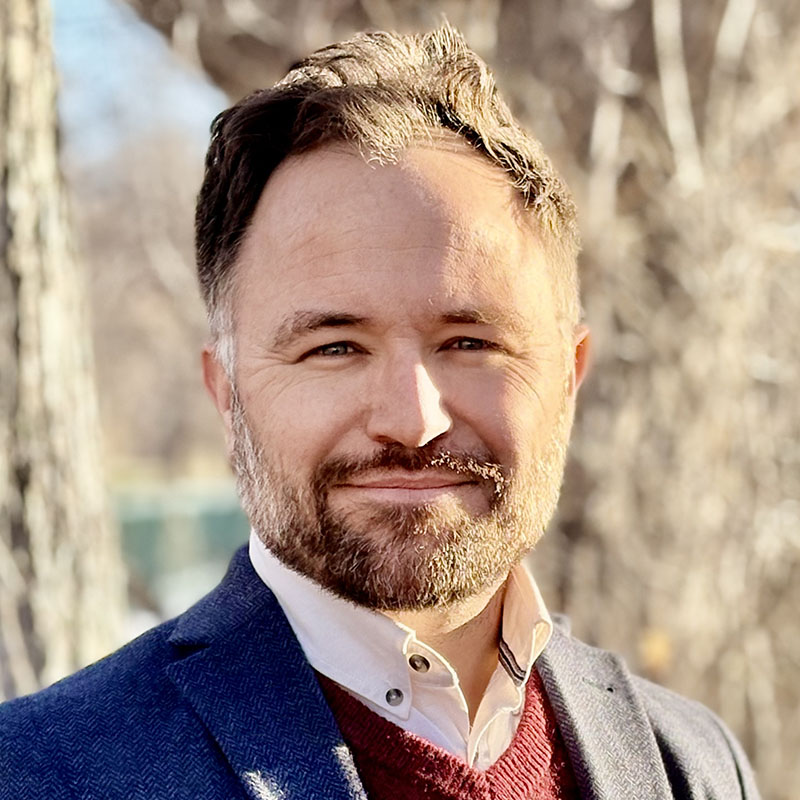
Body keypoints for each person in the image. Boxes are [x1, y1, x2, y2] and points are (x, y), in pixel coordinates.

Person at [0, 25, 759, 800]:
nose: (411, 419)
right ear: (226, 392)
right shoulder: (37, 772)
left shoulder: (691, 762)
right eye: (334, 347)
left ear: (568, 376)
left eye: (468, 341)